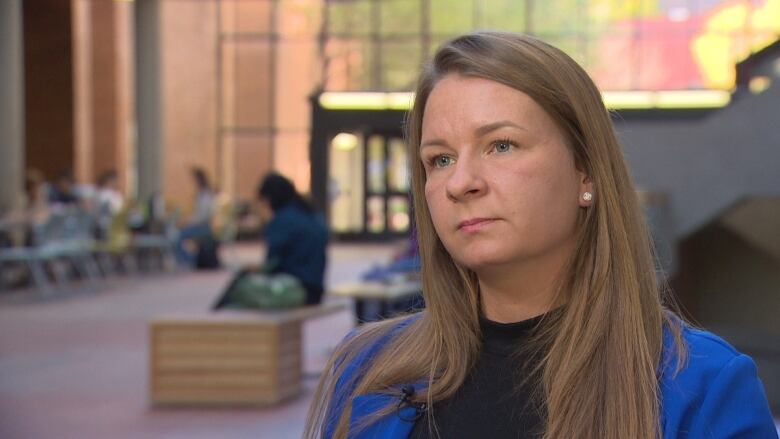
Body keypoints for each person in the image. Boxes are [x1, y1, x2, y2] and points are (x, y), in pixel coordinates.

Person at [304, 32, 778, 439]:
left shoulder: (704, 387)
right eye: (439, 159)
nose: (460, 181)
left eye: (501, 145)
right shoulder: (366, 371)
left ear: (585, 173)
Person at [253, 172, 328, 305]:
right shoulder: (312, 214)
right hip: (316, 289)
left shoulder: (282, 220)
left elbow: (272, 263)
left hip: (293, 289)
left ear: (270, 198)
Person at [173, 167, 215, 267]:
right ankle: (188, 258)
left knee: (177, 237)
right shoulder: (201, 195)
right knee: (178, 234)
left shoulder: (206, 196)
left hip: (203, 226)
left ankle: (188, 260)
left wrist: (187, 223)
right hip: (199, 224)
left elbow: (202, 216)